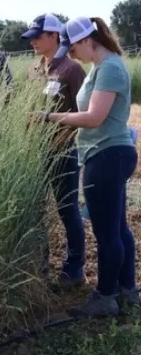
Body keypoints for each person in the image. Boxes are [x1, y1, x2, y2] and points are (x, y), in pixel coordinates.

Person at [35, 16, 140, 318]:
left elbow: (94, 117)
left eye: (72, 48)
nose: (71, 55)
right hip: (105, 153)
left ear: (86, 41)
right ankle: (127, 290)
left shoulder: (109, 68)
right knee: (118, 227)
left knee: (107, 233)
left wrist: (48, 117)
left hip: (106, 155)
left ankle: (105, 296)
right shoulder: (102, 67)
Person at [21, 13, 86, 289]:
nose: (33, 41)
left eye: (38, 36)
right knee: (36, 211)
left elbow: (84, 114)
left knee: (67, 209)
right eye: (32, 37)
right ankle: (40, 265)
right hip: (34, 153)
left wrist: (63, 137)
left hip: (63, 153)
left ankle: (74, 269)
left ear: (54, 36)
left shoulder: (72, 71)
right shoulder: (33, 70)